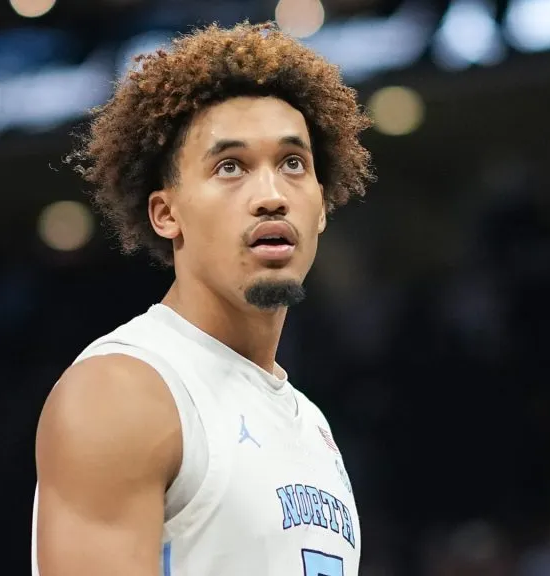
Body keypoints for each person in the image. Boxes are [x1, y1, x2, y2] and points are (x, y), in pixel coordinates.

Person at [32, 21, 374, 576]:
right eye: (230, 167)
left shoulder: (311, 425)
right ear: (167, 214)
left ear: (322, 207)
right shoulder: (124, 391)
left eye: (293, 164)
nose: (271, 196)